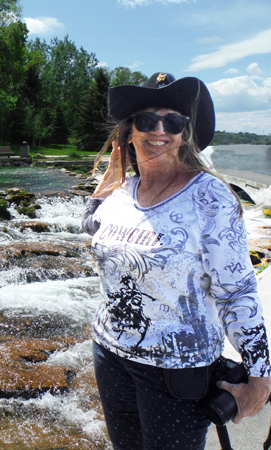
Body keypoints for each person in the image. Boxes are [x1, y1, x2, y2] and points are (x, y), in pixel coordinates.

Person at [81, 72, 271, 450]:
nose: (160, 130)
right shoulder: (123, 192)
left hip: (176, 370)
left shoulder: (210, 196)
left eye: (174, 121)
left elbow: (237, 292)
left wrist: (260, 377)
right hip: (110, 355)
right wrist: (101, 190)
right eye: (147, 120)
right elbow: (92, 227)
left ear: (186, 133)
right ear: (130, 131)